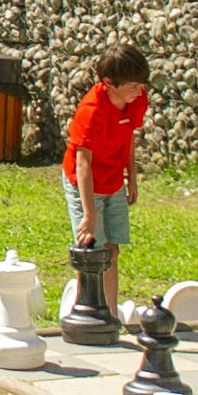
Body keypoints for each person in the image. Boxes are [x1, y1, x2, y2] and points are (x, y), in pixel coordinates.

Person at [62, 43, 152, 326]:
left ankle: (110, 314)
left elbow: (127, 136)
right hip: (84, 183)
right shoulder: (91, 110)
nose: (139, 91)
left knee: (111, 249)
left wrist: (131, 175)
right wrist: (89, 214)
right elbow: (83, 163)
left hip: (113, 180)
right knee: (90, 252)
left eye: (142, 84)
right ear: (109, 84)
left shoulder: (137, 100)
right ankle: (86, 313)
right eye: (133, 85)